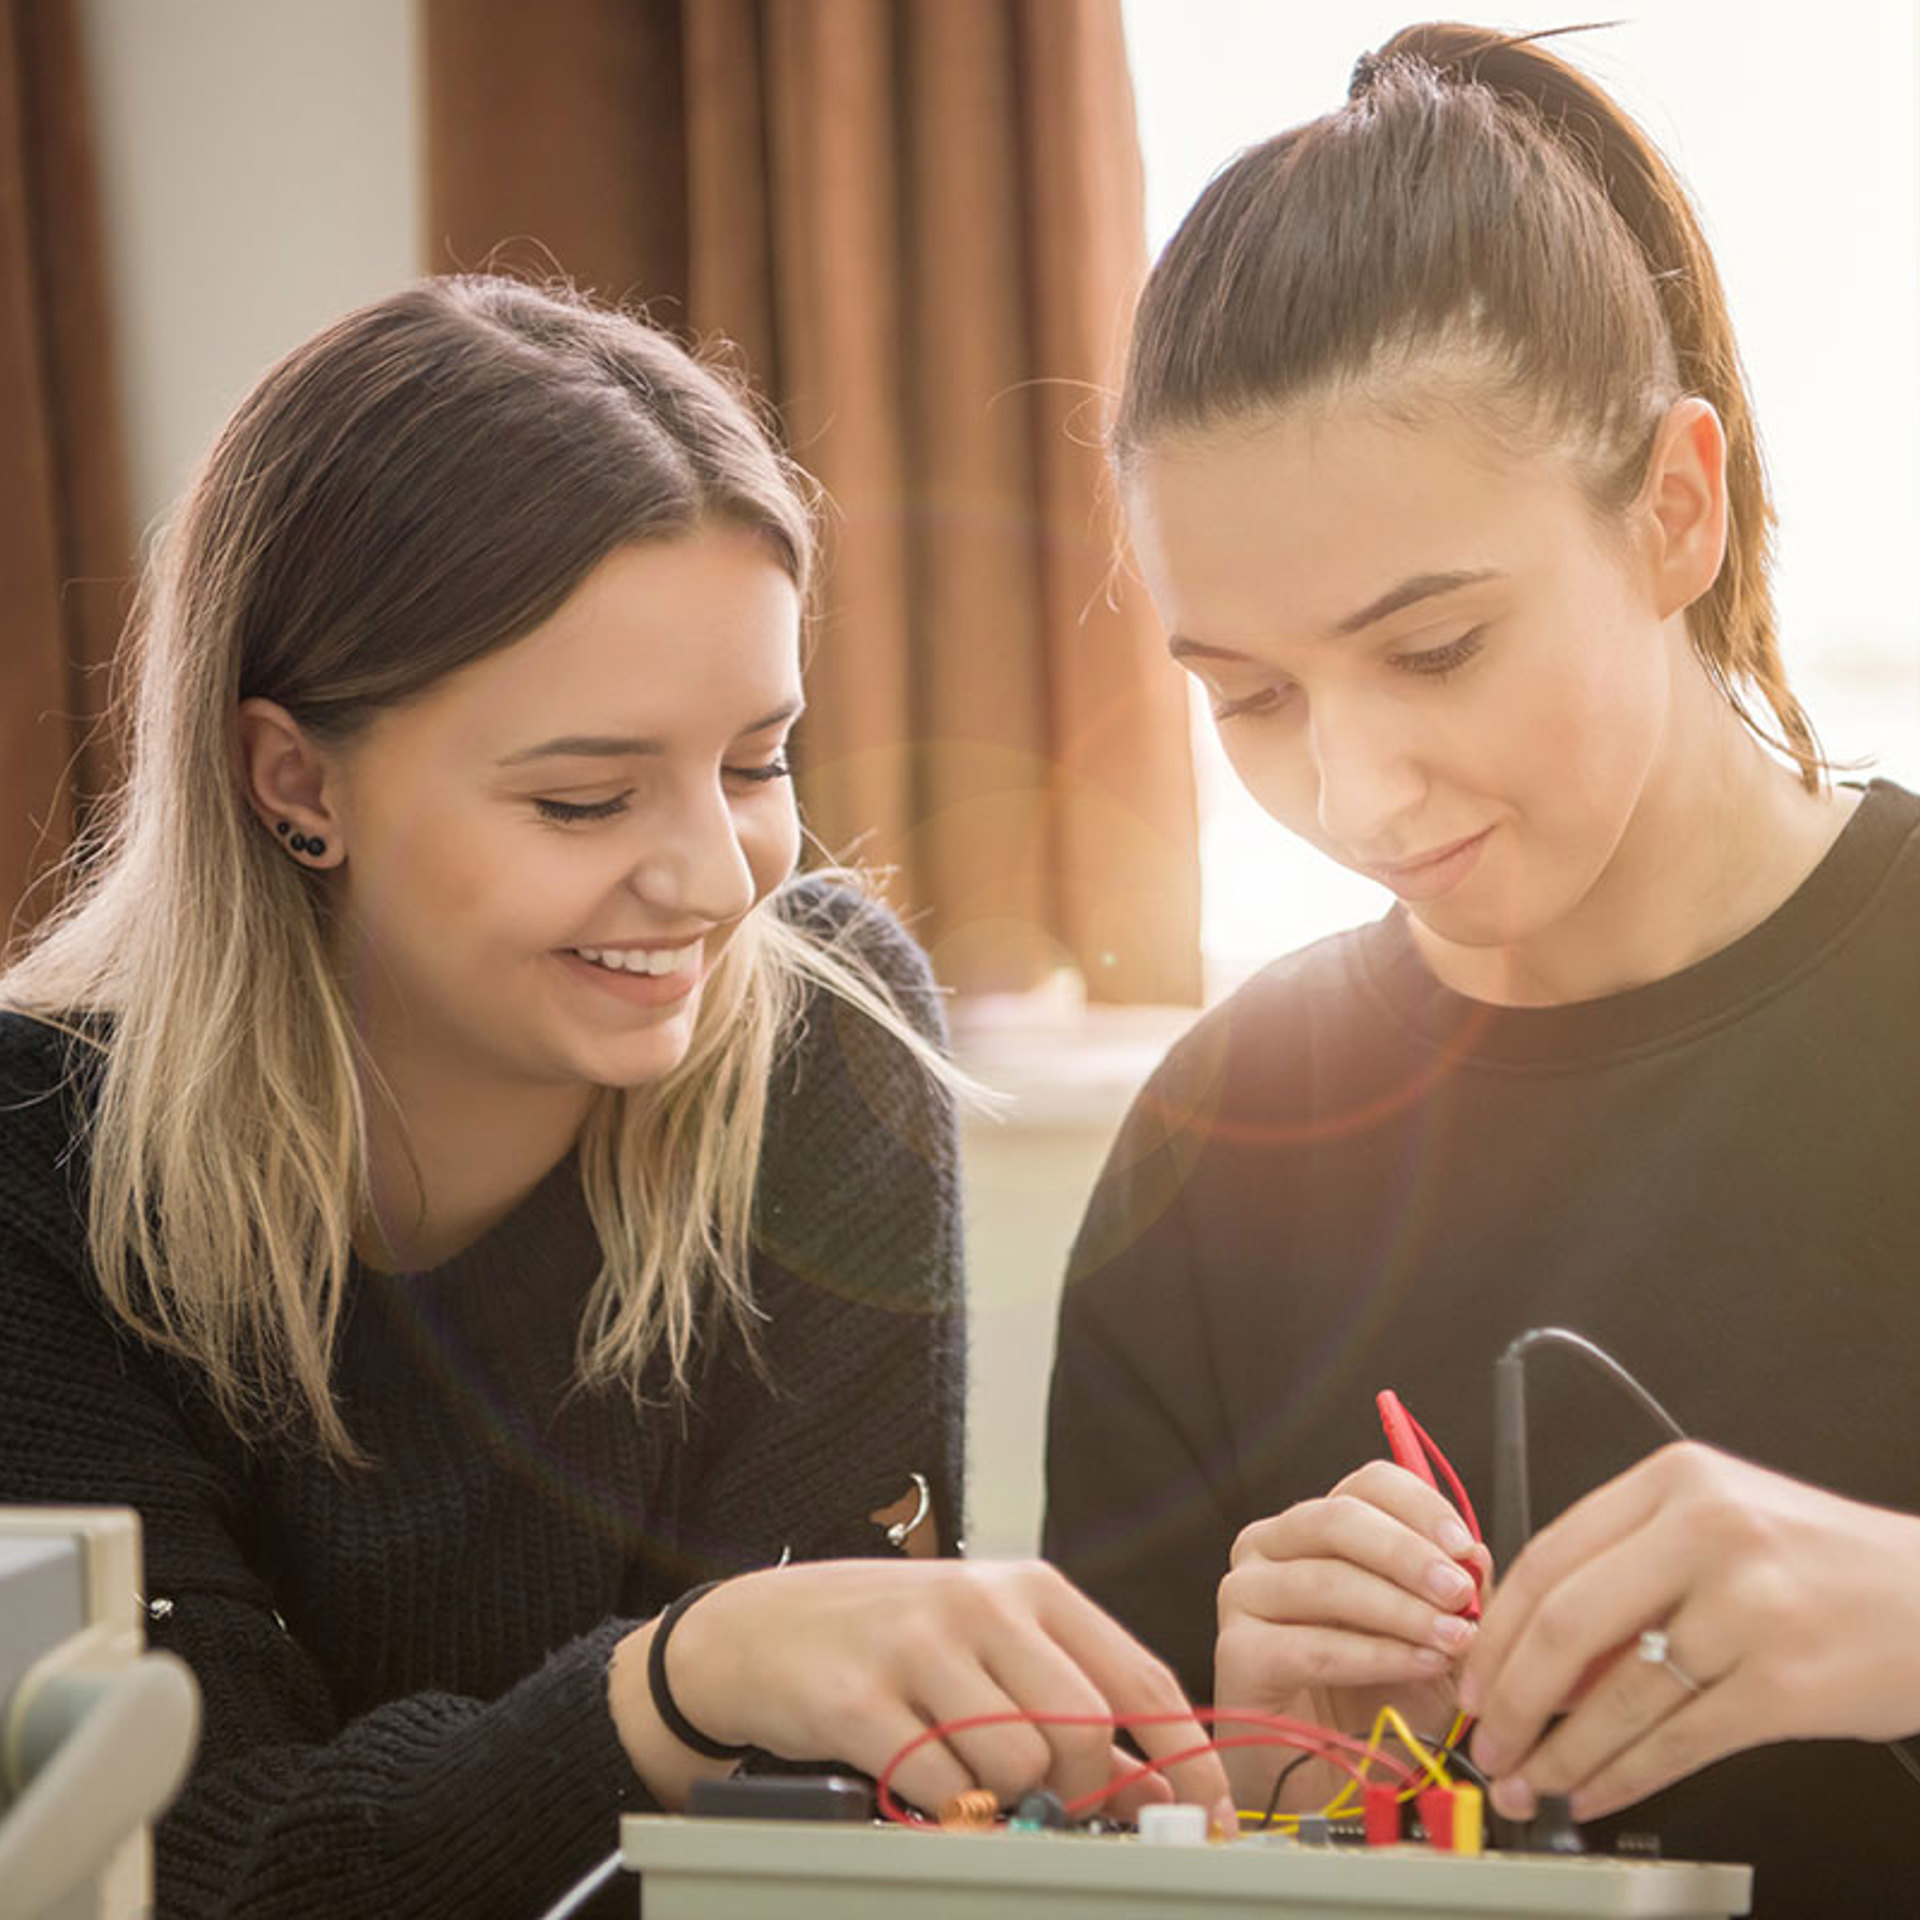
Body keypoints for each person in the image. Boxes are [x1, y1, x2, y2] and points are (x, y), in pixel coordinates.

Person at [0, 275, 1231, 1919]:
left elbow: (821, 1852)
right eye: (585, 799)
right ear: (294, 780)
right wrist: (672, 1687)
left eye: (758, 762)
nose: (717, 880)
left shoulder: (825, 1048)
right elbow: (192, 1872)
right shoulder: (35, 1173)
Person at [1041, 21, 1920, 1911]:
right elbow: (1094, 1856)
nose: (1355, 792)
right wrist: (1265, 1796)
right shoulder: (1217, 1146)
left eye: (1434, 652)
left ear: (1674, 510)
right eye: (1252, 698)